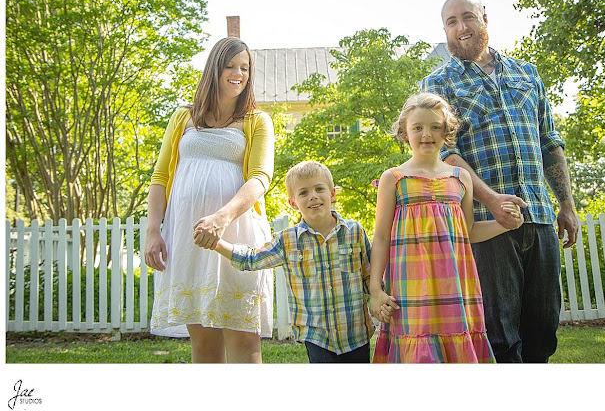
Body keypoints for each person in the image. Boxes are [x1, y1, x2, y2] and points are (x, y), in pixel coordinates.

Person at [421, 0, 579, 363]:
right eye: (451, 22)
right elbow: (446, 154)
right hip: (488, 224)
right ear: (444, 29)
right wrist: (492, 200)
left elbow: (549, 141)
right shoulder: (438, 83)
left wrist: (567, 204)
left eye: (467, 17)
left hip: (539, 217)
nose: (461, 27)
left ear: (484, 18)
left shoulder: (527, 74)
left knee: (543, 329)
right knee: (501, 335)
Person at [144, 37, 275, 363]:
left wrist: (221, 218)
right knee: (203, 344)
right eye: (230, 65)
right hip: (188, 239)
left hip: (236, 234)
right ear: (214, 69)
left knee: (245, 341)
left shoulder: (257, 121)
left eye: (244, 67)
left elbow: (260, 178)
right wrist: (152, 230)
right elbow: (160, 178)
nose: (238, 73)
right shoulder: (182, 118)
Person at [369, 93, 523, 363]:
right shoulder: (393, 178)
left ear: (447, 131)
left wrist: (505, 225)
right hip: (411, 287)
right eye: (417, 127)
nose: (426, 134)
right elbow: (381, 237)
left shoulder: (460, 177)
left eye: (435, 126)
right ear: (405, 132)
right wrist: (375, 290)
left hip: (456, 286)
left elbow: (469, 233)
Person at [196, 160, 374, 363]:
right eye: (303, 193)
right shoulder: (288, 240)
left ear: (332, 194)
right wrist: (217, 244)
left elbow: (369, 276)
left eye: (319, 189)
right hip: (317, 337)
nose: (313, 196)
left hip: (357, 332)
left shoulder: (354, 232)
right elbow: (252, 258)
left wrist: (381, 298)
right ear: (293, 203)